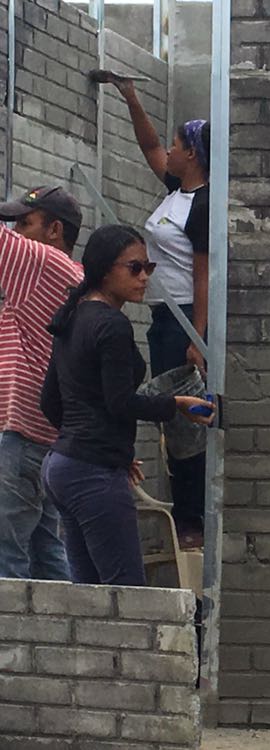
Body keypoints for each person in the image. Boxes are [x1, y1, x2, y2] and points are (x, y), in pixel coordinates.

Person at [40, 224, 214, 585]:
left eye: (148, 268)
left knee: (89, 595)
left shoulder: (73, 315)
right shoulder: (111, 324)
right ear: (105, 270)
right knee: (128, 593)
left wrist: (104, 447)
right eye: (135, 268)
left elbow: (50, 402)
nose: (144, 277)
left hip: (62, 467)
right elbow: (120, 402)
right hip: (91, 473)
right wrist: (177, 403)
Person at [101, 76, 211, 547]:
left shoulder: (202, 205)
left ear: (193, 154)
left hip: (184, 317)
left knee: (184, 420)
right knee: (172, 418)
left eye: (177, 145)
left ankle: (192, 520)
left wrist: (198, 337)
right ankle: (187, 513)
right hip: (165, 316)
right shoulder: (175, 190)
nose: (169, 150)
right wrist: (129, 95)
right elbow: (148, 145)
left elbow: (205, 275)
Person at [0, 186, 84, 579]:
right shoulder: (73, 276)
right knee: (46, 550)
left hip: (23, 438)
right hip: (49, 439)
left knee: (7, 557)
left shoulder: (41, 263)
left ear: (54, 230)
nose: (15, 233)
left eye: (24, 223)